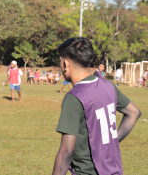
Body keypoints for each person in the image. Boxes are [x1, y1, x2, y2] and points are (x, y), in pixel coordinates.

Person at [52, 37, 141, 175]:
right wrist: (113, 140)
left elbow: (66, 151)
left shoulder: (74, 97)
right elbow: (134, 112)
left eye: (60, 62)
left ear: (65, 64)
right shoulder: (108, 86)